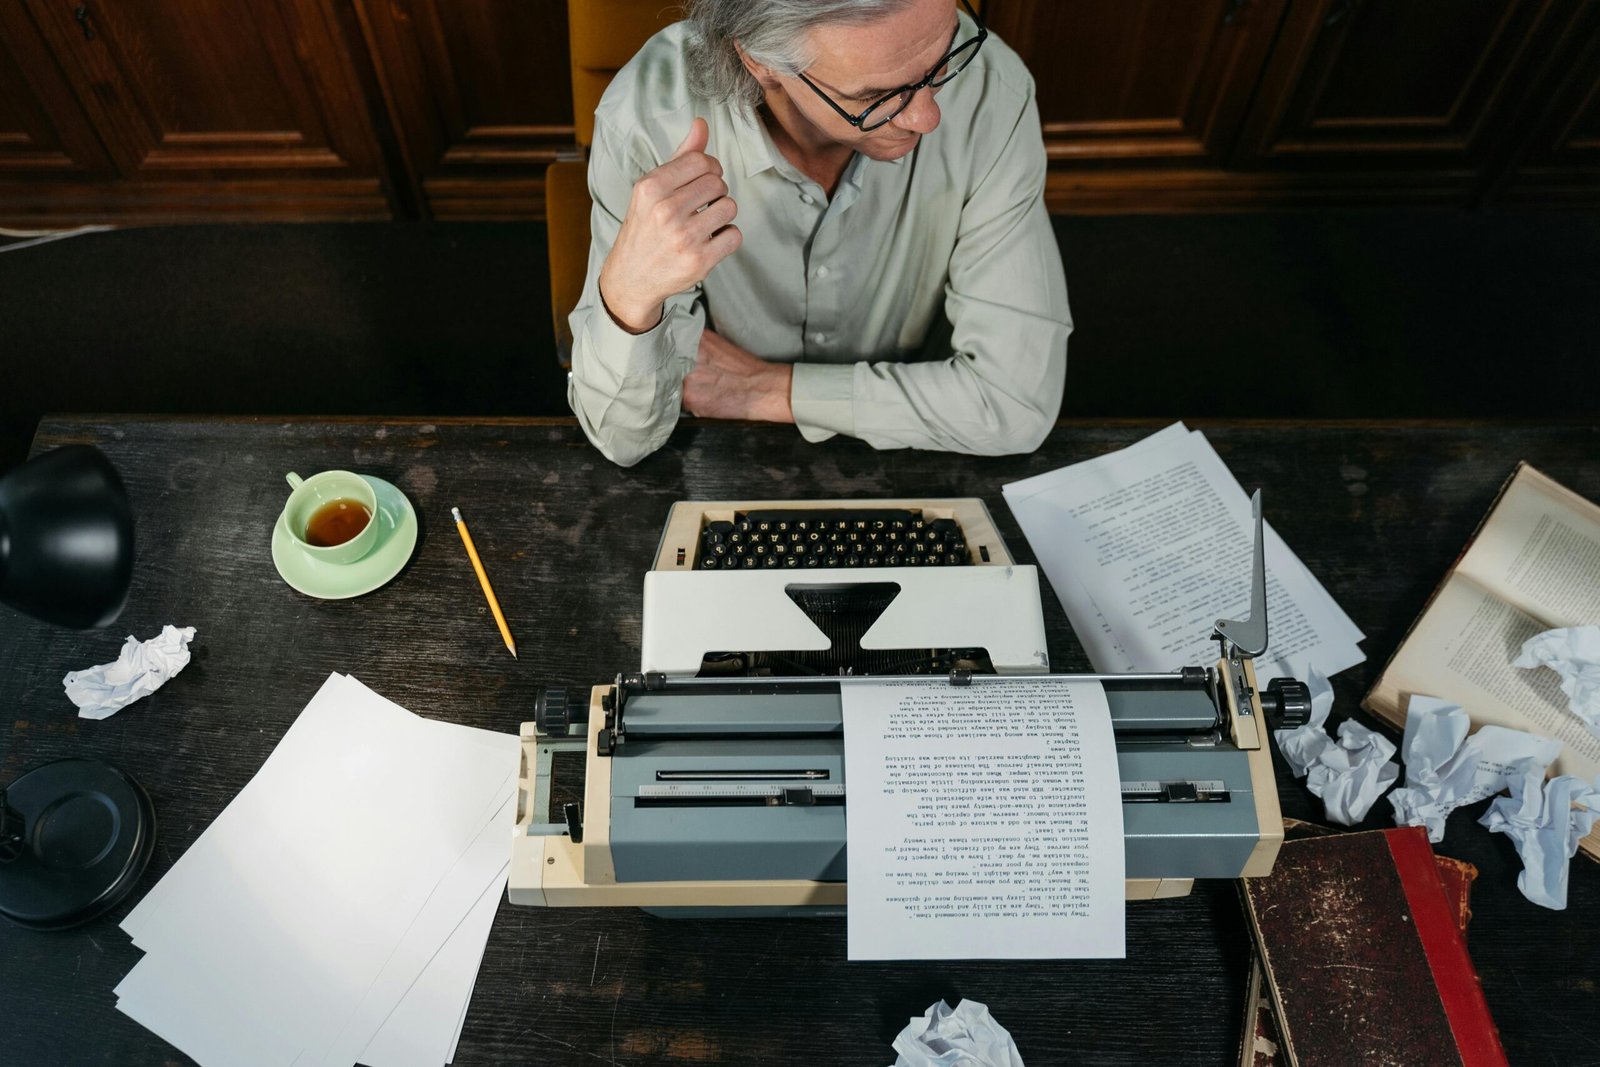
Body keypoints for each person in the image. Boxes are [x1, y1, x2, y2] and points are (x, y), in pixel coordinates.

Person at [567, 0, 1070, 467]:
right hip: (724, 461)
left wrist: (762, 390)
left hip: (924, 464)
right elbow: (623, 437)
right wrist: (630, 298)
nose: (928, 117)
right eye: (877, 96)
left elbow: (1014, 405)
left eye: (941, 61)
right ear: (761, 62)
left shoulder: (992, 90)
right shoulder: (650, 119)